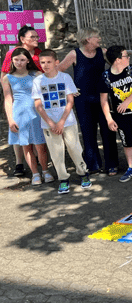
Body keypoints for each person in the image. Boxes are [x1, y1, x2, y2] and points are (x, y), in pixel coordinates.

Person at [57, 27, 119, 175]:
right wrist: (70, 89)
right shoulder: (74, 54)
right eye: (96, 37)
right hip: (83, 99)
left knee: (108, 130)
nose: (99, 39)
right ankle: (93, 164)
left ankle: (112, 164)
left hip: (102, 98)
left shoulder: (102, 52)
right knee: (88, 132)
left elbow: (117, 66)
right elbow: (58, 71)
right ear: (87, 39)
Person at [31, 49, 90, 195]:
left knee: (74, 148)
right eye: (42, 62)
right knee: (56, 153)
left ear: (56, 62)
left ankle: (83, 173)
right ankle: (63, 179)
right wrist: (51, 123)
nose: (45, 65)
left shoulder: (65, 77)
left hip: (67, 121)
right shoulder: (37, 81)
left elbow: (70, 101)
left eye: (49, 62)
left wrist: (61, 121)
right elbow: (38, 105)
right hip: (48, 124)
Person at [2, 48, 52, 185]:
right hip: (19, 114)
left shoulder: (36, 74)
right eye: (16, 59)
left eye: (22, 59)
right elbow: (7, 100)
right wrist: (10, 119)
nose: (19, 62)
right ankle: (35, 173)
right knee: (26, 146)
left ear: (28, 60)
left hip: (36, 113)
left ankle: (45, 171)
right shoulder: (7, 78)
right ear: (11, 61)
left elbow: (48, 88)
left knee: (40, 145)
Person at [99, 45, 132, 183]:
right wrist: (109, 119)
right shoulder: (106, 76)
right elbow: (103, 100)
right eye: (126, 55)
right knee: (127, 143)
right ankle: (131, 167)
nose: (129, 58)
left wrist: (127, 102)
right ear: (117, 59)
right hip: (120, 117)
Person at [1, 25, 44, 177]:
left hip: (37, 100)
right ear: (22, 39)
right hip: (19, 98)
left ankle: (41, 164)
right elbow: (5, 74)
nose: (36, 39)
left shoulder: (39, 53)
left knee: (38, 134)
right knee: (20, 132)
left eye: (37, 37)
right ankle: (20, 163)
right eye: (32, 37)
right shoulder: (12, 53)